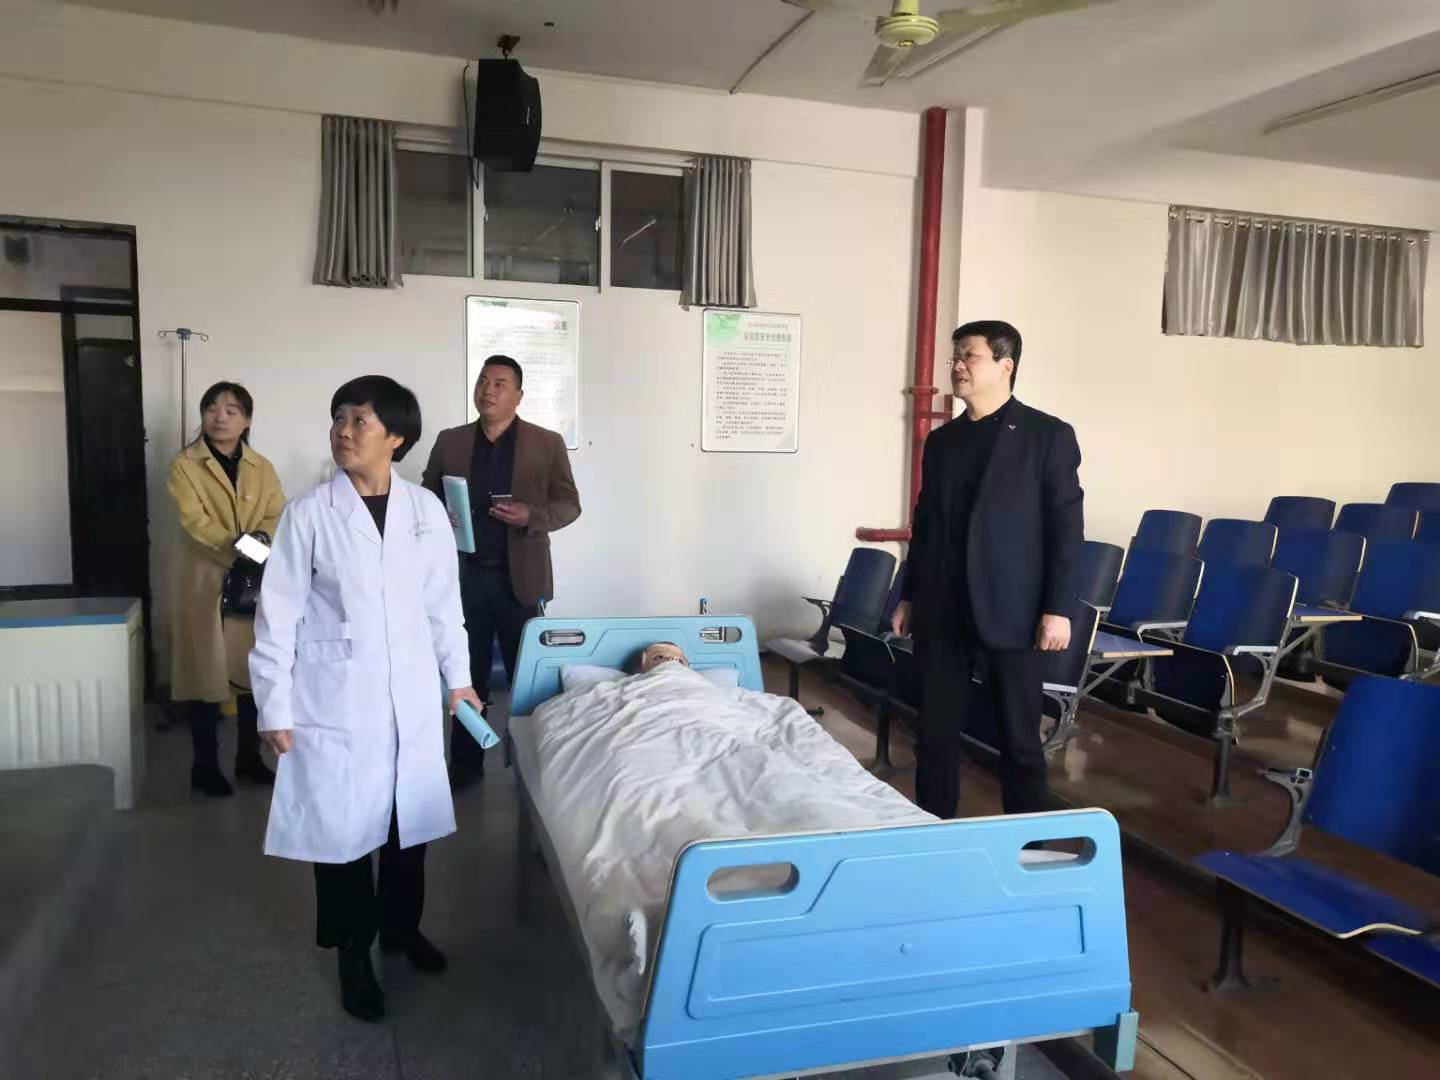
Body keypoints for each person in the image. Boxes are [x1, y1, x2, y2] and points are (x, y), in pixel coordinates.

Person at [250, 375, 483, 1023]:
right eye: (339, 418)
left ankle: (402, 929)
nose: (343, 431)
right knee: (343, 834)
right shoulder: (308, 513)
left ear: (396, 437)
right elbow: (277, 616)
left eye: (360, 420)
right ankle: (353, 953)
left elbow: (444, 607)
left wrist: (459, 680)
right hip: (335, 698)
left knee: (409, 826)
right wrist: (274, 706)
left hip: (409, 693)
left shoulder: (426, 512)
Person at [892, 320, 1083, 819]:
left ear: (1005, 365)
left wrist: (1058, 608)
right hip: (943, 611)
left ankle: (1028, 842)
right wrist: (909, 594)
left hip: (1012, 611)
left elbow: (1066, 528)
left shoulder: (1047, 436)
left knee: (1018, 739)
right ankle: (935, 828)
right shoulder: (943, 442)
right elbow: (926, 524)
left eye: (969, 356)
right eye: (955, 356)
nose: (957, 366)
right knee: (934, 733)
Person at [422, 355, 581, 789]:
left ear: (518, 396)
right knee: (464, 674)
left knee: (526, 678)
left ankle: (534, 766)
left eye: (499, 384)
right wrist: (440, 516)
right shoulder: (450, 441)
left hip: (520, 580)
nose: (488, 390)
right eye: (483, 381)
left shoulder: (546, 443)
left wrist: (531, 515)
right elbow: (425, 498)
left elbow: (569, 505)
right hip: (465, 577)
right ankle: (465, 766)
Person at [166, 381, 286, 797]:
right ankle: (204, 767)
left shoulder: (261, 467)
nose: (220, 417)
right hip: (203, 583)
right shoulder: (184, 465)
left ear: (247, 420)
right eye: (212, 409)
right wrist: (242, 548)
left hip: (250, 584)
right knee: (205, 677)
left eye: (232, 410)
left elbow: (275, 513)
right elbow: (193, 521)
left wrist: (256, 546)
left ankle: (249, 760)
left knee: (251, 672)